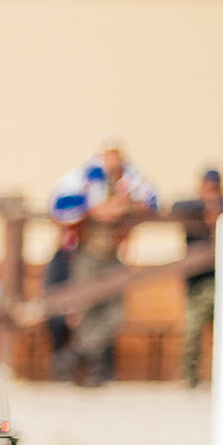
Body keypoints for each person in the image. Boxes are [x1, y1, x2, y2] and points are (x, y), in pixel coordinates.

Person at [45, 136, 158, 386]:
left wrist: (124, 207)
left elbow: (152, 201)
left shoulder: (129, 181)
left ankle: (74, 354)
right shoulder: (83, 179)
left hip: (113, 256)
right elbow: (59, 205)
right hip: (86, 254)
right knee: (85, 310)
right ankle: (94, 371)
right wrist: (96, 208)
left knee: (116, 312)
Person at [170, 169, 223, 388]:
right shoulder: (191, 211)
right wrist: (206, 207)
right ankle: (190, 380)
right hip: (199, 283)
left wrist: (219, 208)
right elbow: (175, 207)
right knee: (192, 333)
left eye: (214, 189)